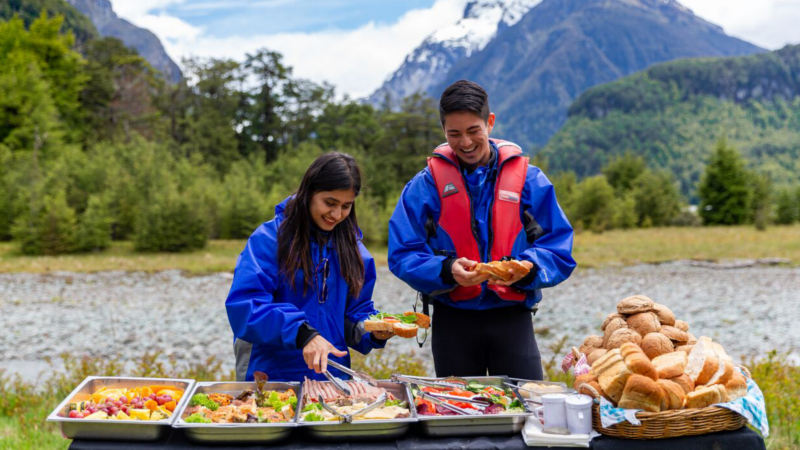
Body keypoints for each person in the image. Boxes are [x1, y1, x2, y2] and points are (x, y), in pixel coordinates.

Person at [388, 80, 576, 380]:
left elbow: (558, 247)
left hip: (512, 317)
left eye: (473, 130)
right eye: (454, 134)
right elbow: (402, 253)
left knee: (527, 406)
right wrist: (447, 269)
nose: (465, 142)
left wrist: (529, 268)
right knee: (458, 416)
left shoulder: (530, 181)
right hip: (452, 320)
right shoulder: (425, 186)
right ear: (443, 132)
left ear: (490, 122)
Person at [226, 152, 392, 382]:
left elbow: (354, 315)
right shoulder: (268, 240)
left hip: (331, 379)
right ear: (309, 193)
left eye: (346, 206)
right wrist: (301, 332)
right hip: (269, 378)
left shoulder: (355, 252)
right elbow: (245, 307)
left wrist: (373, 329)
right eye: (330, 203)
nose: (336, 215)